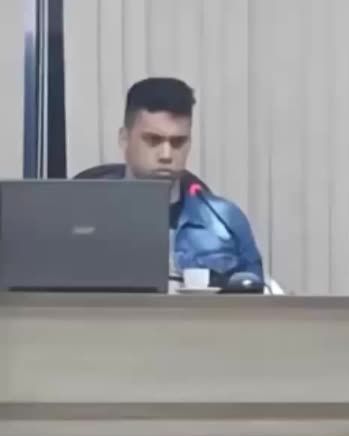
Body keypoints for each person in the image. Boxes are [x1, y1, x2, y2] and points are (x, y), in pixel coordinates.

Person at [75, 77, 263, 286]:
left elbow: (256, 298)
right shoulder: (81, 216)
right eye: (153, 140)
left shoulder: (226, 221)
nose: (166, 155)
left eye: (178, 142)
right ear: (124, 139)